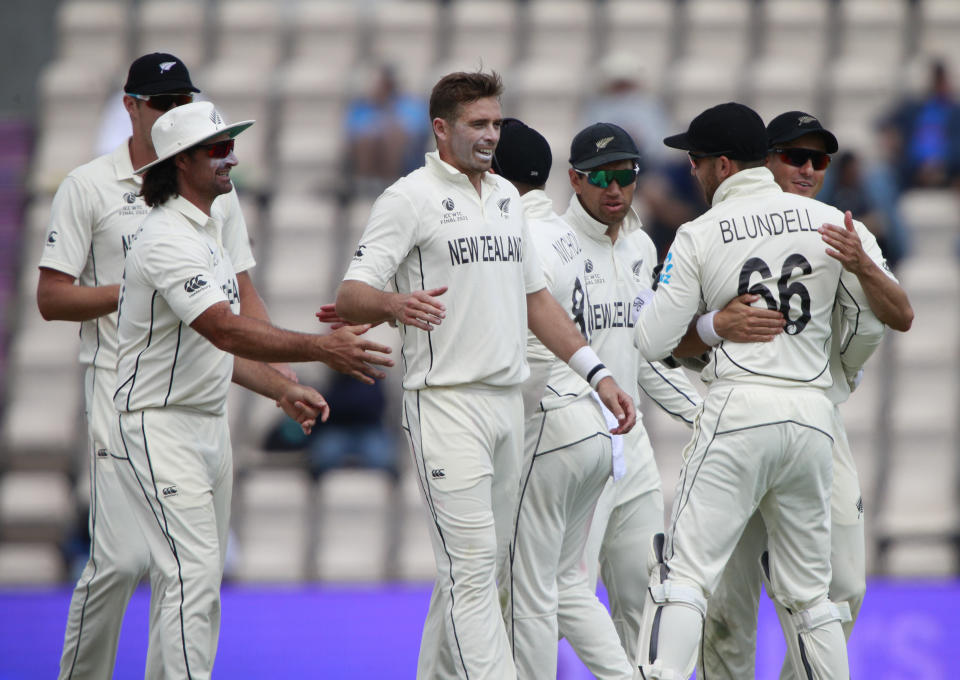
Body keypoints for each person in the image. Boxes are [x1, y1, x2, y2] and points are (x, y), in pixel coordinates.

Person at [333, 70, 637, 680]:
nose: (491, 135)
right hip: (446, 403)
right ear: (441, 129)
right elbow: (350, 296)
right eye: (478, 124)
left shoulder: (503, 197)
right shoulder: (408, 197)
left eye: (497, 123)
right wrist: (393, 304)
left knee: (483, 575)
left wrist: (597, 373)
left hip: (506, 408)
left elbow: (537, 302)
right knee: (471, 574)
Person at [111, 100, 393, 680]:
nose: (231, 158)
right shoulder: (166, 237)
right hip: (157, 423)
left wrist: (276, 389)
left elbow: (210, 347)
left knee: (195, 582)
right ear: (180, 163)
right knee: (191, 578)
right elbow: (225, 328)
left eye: (230, 146)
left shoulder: (209, 231)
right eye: (217, 149)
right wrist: (320, 349)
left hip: (203, 420)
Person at [36, 52, 292, 680]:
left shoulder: (214, 193)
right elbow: (51, 298)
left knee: (187, 567)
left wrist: (284, 388)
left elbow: (242, 302)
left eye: (184, 100)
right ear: (131, 107)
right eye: (163, 102)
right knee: (123, 564)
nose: (175, 111)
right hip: (119, 384)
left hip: (198, 383)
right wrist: (150, 293)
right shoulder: (89, 186)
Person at [631, 102, 885, 680]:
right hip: (811, 416)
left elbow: (649, 341)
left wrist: (712, 326)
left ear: (722, 165)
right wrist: (843, 368)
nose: (691, 171)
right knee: (812, 597)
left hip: (738, 411)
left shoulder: (699, 232)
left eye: (695, 161)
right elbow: (876, 321)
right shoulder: (830, 226)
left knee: (686, 578)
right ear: (762, 160)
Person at [697, 111, 913, 680]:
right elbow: (672, 335)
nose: (809, 169)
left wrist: (861, 262)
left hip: (815, 417)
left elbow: (902, 315)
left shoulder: (841, 229)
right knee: (726, 601)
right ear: (764, 160)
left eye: (820, 160)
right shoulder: (720, 227)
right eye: (796, 156)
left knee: (844, 587)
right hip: (735, 415)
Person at [491, 118, 634, 680]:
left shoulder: (508, 238)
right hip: (595, 424)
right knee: (567, 583)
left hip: (549, 424)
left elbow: (522, 349)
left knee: (528, 591)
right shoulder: (573, 238)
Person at [561, 122, 704, 664]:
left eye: (624, 175)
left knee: (647, 596)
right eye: (601, 176)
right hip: (575, 443)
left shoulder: (643, 245)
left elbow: (642, 358)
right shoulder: (553, 248)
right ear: (575, 180)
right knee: (555, 598)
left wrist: (706, 414)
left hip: (633, 447)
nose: (614, 188)